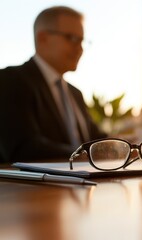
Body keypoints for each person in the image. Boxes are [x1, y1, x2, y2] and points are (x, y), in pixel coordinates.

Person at [0, 6, 107, 163]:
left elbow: (94, 138)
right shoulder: (10, 80)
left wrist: (121, 146)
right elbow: (22, 147)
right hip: (35, 187)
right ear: (42, 38)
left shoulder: (75, 93)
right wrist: (85, 155)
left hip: (85, 185)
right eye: (72, 38)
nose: (80, 48)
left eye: (82, 40)